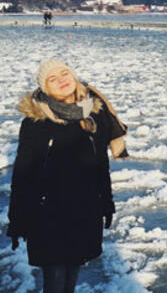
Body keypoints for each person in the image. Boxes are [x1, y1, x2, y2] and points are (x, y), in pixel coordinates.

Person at [7, 60, 129, 293]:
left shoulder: (92, 115)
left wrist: (107, 203)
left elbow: (100, 165)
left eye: (65, 73)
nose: (62, 80)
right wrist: (17, 221)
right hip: (48, 216)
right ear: (45, 88)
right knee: (54, 280)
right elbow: (23, 175)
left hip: (85, 211)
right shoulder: (35, 122)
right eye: (53, 79)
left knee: (73, 268)